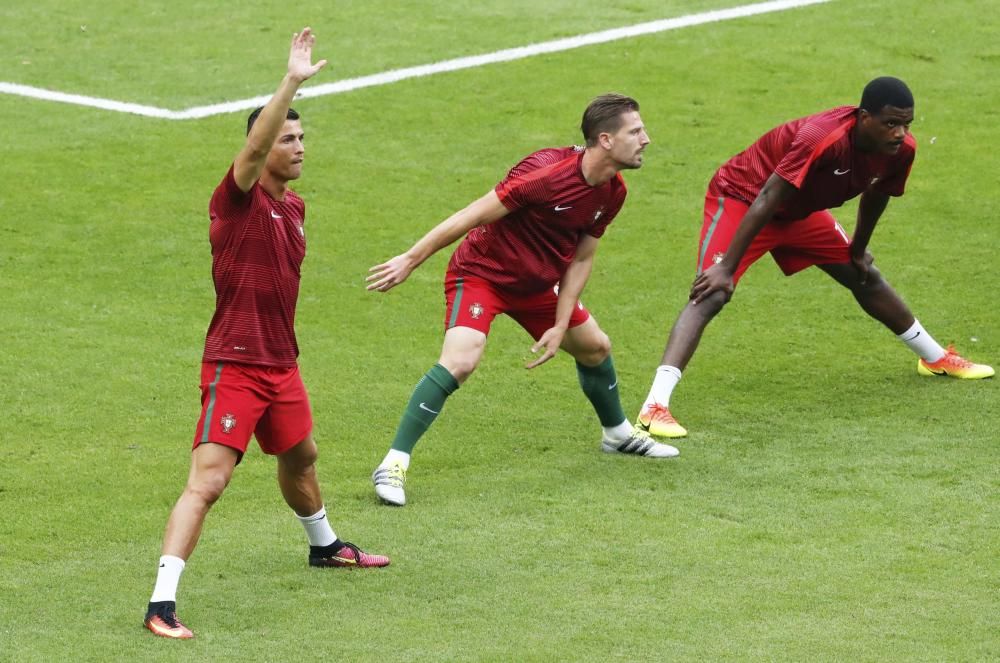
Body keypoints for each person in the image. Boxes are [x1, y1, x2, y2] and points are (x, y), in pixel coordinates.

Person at [143, 28, 388, 640]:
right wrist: (291, 82)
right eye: (288, 139)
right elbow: (251, 151)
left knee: (301, 457)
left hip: (282, 363)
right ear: (262, 147)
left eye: (303, 136)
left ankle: (324, 546)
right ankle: (161, 604)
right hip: (235, 363)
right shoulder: (236, 202)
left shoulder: (294, 208)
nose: (300, 146)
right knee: (210, 481)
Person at [636, 76, 994, 440]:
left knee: (865, 276)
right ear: (863, 117)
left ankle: (935, 358)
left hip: (799, 211)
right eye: (891, 123)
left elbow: (879, 193)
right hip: (744, 199)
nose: (900, 133)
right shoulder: (821, 137)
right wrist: (725, 267)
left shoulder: (900, 150)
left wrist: (857, 248)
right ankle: (653, 408)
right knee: (711, 292)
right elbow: (767, 197)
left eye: (906, 124)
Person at [365, 93, 678, 507]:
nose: (646, 139)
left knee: (595, 347)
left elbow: (582, 257)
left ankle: (617, 433)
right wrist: (410, 258)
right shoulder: (546, 174)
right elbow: (473, 214)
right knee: (461, 360)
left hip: (535, 285)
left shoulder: (612, 192)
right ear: (605, 140)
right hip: (482, 275)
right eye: (635, 131)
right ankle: (393, 463)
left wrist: (561, 324)